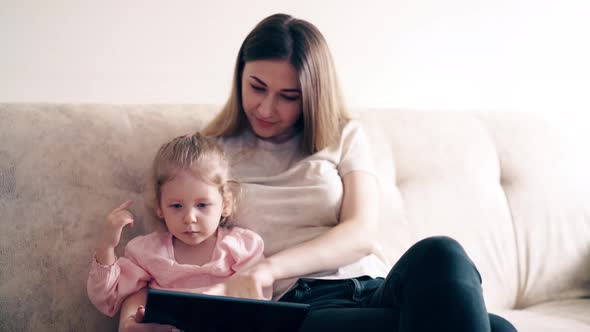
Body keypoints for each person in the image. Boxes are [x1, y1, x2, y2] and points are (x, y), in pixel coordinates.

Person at [119, 13, 517, 332]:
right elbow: (169, 253)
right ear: (239, 74)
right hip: (300, 304)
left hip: (378, 286)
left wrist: (269, 267)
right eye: (256, 87)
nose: (267, 108)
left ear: (312, 94)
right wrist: (132, 311)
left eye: (288, 96)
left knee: (443, 252)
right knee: (496, 329)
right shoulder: (210, 155)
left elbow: (361, 232)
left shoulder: (345, 135)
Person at [87, 133, 268, 330]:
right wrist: (107, 246)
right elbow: (108, 299)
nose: (189, 218)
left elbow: (259, 304)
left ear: (225, 204)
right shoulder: (147, 252)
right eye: (176, 206)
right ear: (159, 207)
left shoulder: (241, 247)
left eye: (202, 204)